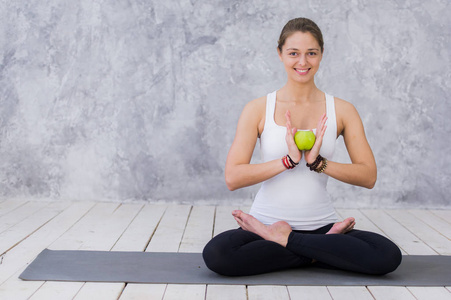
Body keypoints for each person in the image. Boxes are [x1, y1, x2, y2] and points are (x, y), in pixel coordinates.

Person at [202, 17, 402, 276]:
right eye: (293, 53)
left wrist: (319, 164)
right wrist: (289, 161)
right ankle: (318, 251)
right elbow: (233, 177)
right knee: (218, 255)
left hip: (321, 224)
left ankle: (284, 241)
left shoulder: (342, 110)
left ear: (321, 54)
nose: (303, 62)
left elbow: (368, 176)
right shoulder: (257, 109)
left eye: (311, 53)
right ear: (280, 54)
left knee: (387, 256)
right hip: (265, 222)